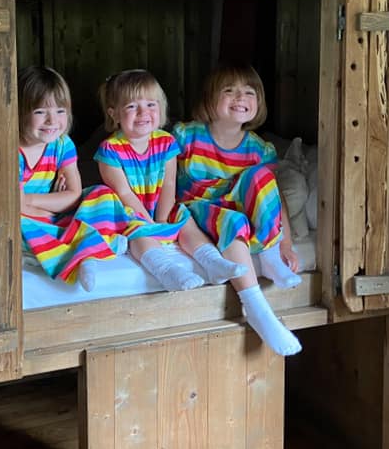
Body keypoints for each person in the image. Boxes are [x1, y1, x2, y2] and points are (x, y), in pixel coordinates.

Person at [172, 63, 303, 356]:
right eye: (228, 91)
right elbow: (162, 178)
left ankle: (269, 255)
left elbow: (273, 198)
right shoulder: (186, 136)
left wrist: (287, 243)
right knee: (232, 220)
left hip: (242, 214)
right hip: (199, 209)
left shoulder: (259, 148)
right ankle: (256, 307)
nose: (240, 97)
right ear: (209, 100)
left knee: (262, 177)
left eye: (249, 92)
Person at [95, 70, 247, 291]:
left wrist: (164, 219)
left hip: (159, 204)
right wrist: (150, 224)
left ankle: (213, 262)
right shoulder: (110, 150)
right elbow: (124, 193)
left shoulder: (166, 142)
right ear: (114, 114)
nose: (143, 113)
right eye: (131, 106)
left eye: (151, 105)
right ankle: (168, 271)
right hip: (127, 210)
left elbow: (168, 184)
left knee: (184, 219)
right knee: (137, 233)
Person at [18, 65, 128, 292]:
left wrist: (30, 199)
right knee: (14, 222)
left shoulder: (62, 144)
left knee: (102, 194)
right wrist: (50, 207)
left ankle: (82, 250)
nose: (52, 121)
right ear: (19, 112)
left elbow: (74, 194)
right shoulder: (13, 151)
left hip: (53, 213)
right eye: (40, 112)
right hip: (29, 218)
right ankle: (84, 250)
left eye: (60, 111)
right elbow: (14, 206)